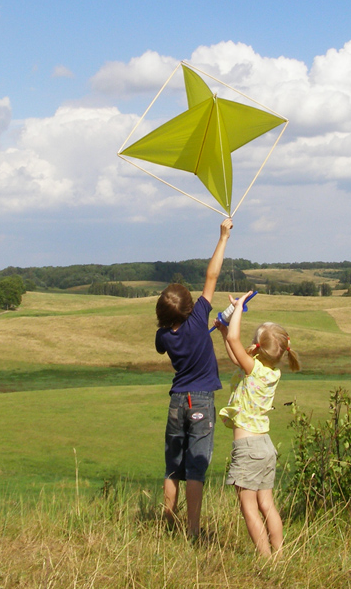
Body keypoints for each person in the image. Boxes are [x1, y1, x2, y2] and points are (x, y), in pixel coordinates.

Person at [155, 217, 233, 538]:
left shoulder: (163, 336)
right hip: (200, 400)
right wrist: (223, 236)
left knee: (173, 467)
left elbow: (172, 336)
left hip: (177, 402)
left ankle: (167, 522)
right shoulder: (200, 317)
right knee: (196, 470)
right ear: (191, 308)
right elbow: (211, 274)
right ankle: (193, 531)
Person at [213, 295, 300, 557]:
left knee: (248, 506)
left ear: (257, 346)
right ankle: (280, 552)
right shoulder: (270, 372)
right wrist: (224, 330)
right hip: (265, 446)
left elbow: (235, 344)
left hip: (248, 447)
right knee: (267, 504)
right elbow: (235, 352)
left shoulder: (254, 370)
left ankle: (265, 557)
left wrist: (237, 309)